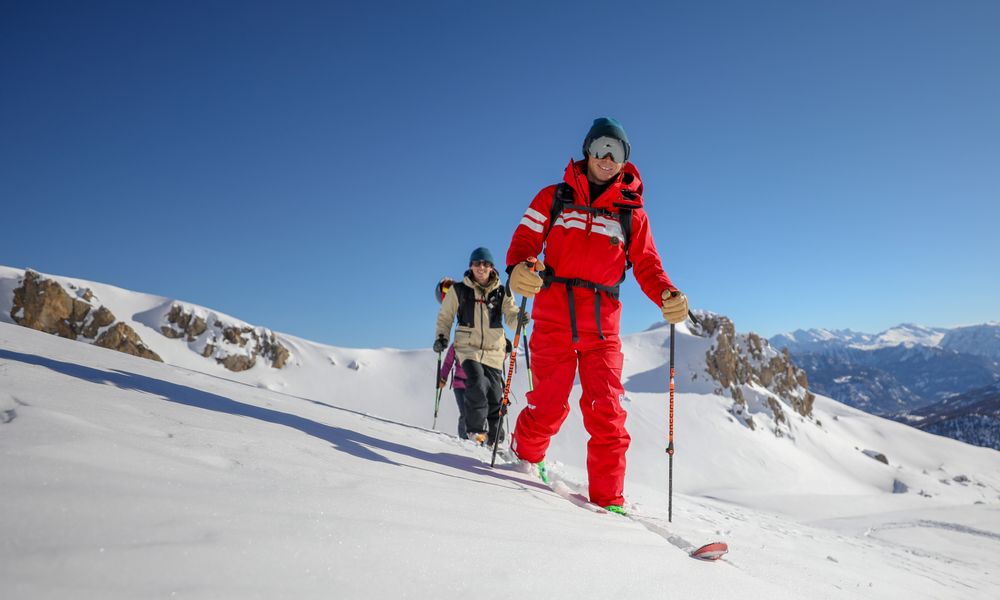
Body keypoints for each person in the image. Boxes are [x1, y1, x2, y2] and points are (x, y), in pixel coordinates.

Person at [504, 117, 689, 513]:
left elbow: (647, 265)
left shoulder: (630, 214)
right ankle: (526, 457)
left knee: (607, 413)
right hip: (553, 318)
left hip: (602, 329)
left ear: (625, 161)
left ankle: (609, 503)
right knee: (548, 406)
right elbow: (525, 240)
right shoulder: (554, 198)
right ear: (587, 150)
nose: (608, 157)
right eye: (602, 147)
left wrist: (667, 294)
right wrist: (519, 267)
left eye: (617, 151)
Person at [434, 248, 523, 446]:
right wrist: (442, 337)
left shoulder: (502, 290)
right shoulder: (458, 290)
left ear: (492, 267)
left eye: (485, 264)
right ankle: (475, 429)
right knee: (476, 381)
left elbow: (510, 314)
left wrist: (519, 320)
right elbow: (445, 316)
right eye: (477, 263)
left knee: (494, 393)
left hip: (494, 349)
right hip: (468, 347)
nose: (481, 267)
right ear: (470, 266)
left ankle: (495, 437)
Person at [434, 277, 469, 438]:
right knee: (465, 413)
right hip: (460, 385)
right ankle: (464, 441)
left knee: (477, 413)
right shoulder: (456, 346)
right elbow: (448, 363)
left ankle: (480, 441)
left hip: (475, 383)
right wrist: (442, 378)